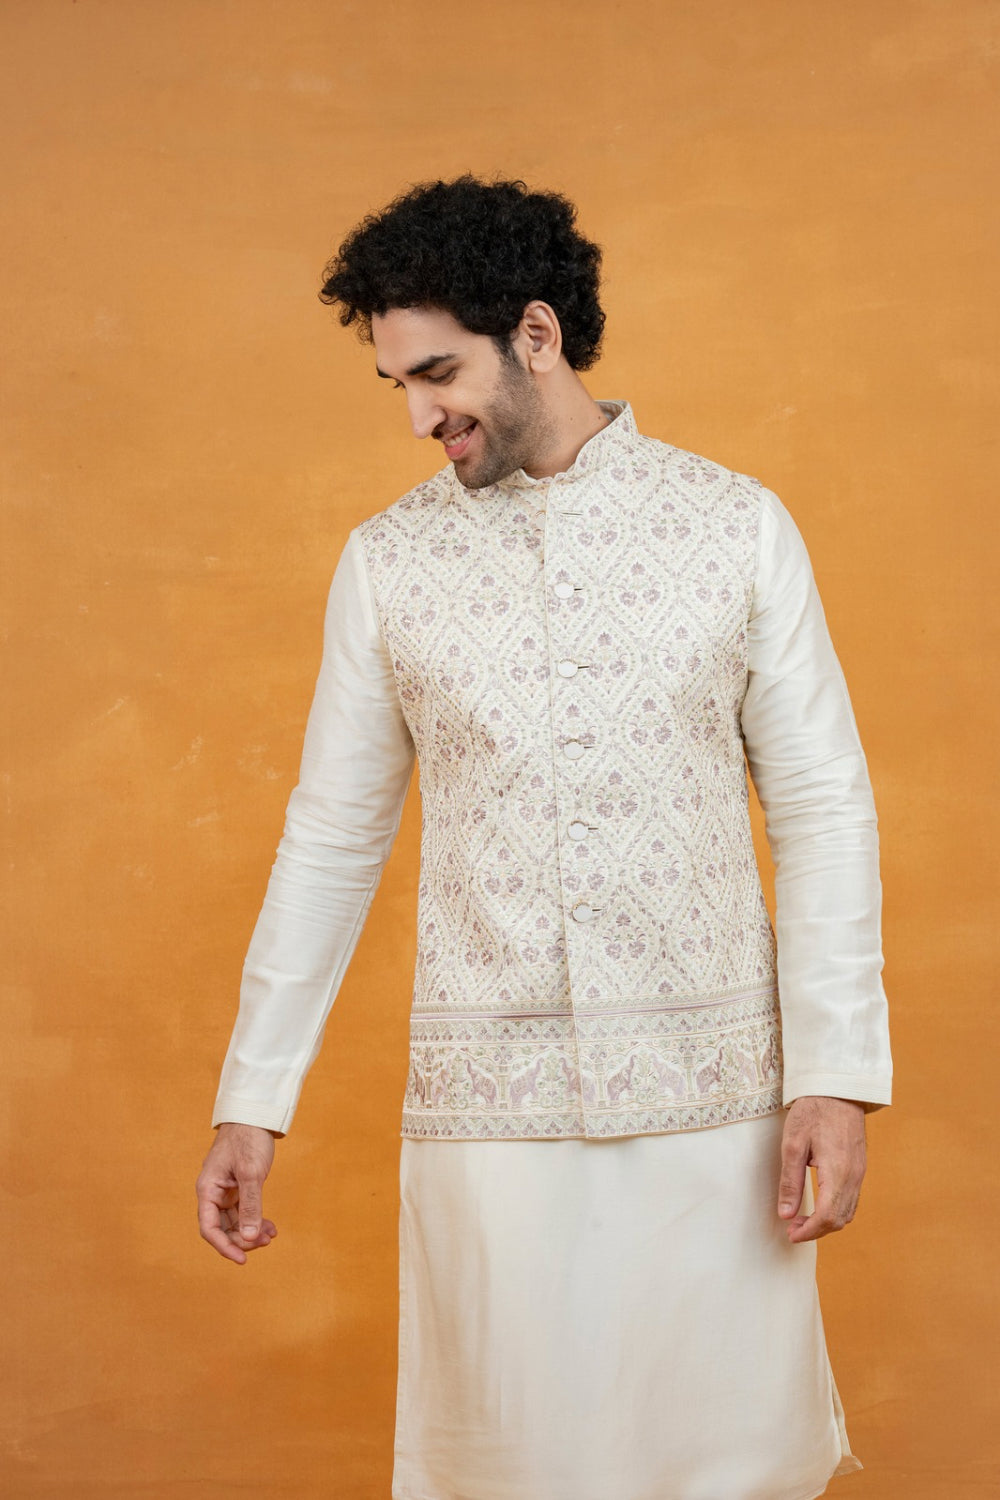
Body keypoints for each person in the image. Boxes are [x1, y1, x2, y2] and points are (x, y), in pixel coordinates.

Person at [196, 175, 892, 1500]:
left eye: (438, 374)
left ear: (535, 333)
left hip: (716, 1110)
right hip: (491, 1125)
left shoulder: (733, 528)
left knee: (725, 1465)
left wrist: (836, 1075)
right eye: (397, 384)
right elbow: (331, 839)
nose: (418, 417)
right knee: (512, 1466)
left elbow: (822, 807)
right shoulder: (389, 565)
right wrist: (253, 1096)